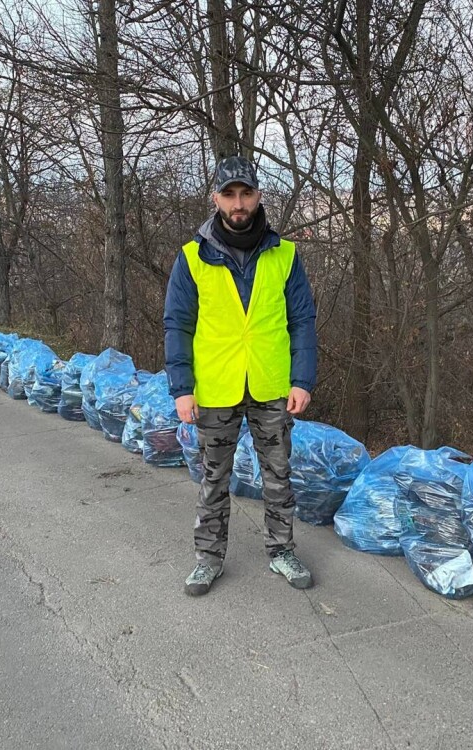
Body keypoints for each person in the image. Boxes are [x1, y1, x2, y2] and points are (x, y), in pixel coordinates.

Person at [164, 156, 317, 596]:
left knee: (278, 476)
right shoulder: (193, 257)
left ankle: (282, 551)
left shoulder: (284, 255)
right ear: (215, 198)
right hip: (215, 388)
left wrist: (302, 379)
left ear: (258, 196)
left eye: (245, 193)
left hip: (272, 384)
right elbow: (178, 323)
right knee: (214, 478)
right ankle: (208, 559)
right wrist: (182, 388)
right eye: (229, 194)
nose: (238, 203)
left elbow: (303, 319)